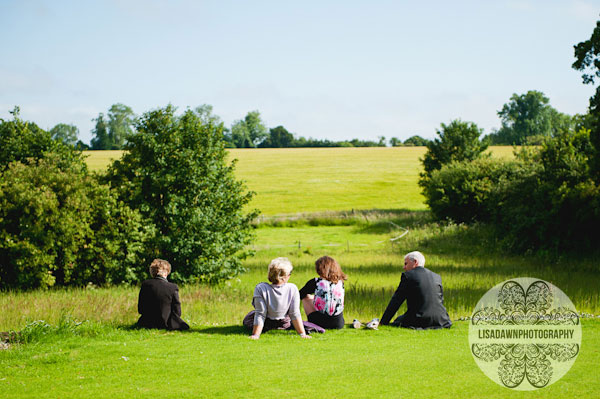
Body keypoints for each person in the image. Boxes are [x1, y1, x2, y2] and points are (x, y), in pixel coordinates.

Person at [380, 251, 452, 329]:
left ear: (415, 262)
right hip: (441, 319)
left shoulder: (408, 276)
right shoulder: (436, 276)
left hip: (419, 319)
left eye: (406, 264)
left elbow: (396, 301)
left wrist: (383, 322)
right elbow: (440, 300)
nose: (404, 267)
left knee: (398, 320)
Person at [243, 257, 311, 339]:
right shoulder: (292, 288)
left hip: (266, 322)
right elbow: (294, 313)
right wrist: (302, 334)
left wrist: (256, 335)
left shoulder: (261, 288)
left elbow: (260, 313)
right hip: (284, 323)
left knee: (250, 316)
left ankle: (262, 330)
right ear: (285, 276)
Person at [137, 258, 189, 330]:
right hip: (166, 323)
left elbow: (141, 309)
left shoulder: (145, 284)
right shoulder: (172, 287)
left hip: (147, 323)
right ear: (166, 272)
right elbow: (177, 311)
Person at [299, 256, 347, 329]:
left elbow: (300, 294)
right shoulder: (340, 282)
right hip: (338, 323)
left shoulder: (316, 282)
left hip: (319, 322)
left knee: (306, 297)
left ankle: (311, 322)